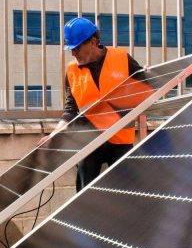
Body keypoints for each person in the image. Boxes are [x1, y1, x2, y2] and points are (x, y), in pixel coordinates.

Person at [48, 17, 144, 191]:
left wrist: (149, 75)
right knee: (85, 195)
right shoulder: (71, 70)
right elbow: (71, 108)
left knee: (127, 194)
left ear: (93, 42)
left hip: (120, 138)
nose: (73, 53)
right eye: (71, 49)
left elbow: (145, 87)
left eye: (77, 47)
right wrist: (56, 132)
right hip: (88, 140)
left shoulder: (122, 58)